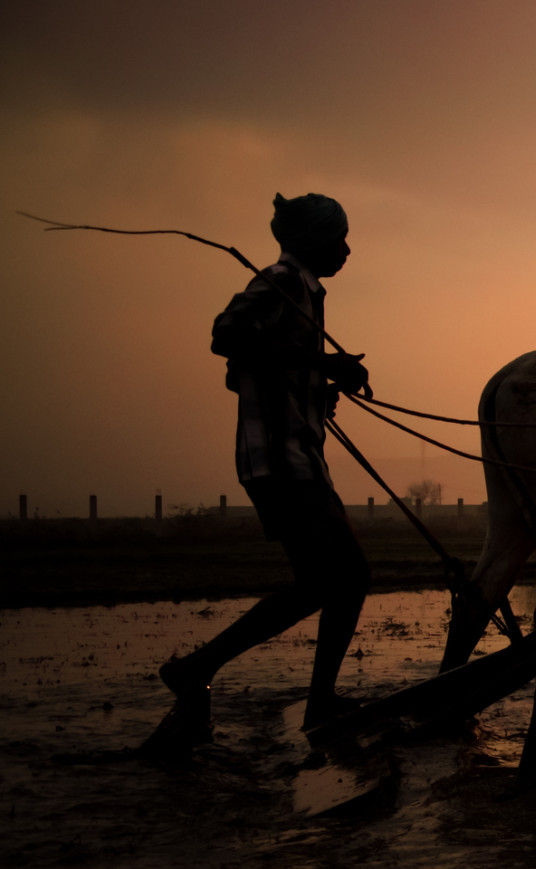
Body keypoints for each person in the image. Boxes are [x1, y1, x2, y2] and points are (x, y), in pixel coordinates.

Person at [142, 193, 374, 754]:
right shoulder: (283, 281)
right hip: (281, 460)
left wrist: (318, 388)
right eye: (339, 239)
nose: (346, 250)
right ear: (314, 240)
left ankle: (204, 669)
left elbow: (241, 371)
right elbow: (227, 334)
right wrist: (323, 364)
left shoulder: (303, 294)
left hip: (292, 457)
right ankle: (305, 697)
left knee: (325, 582)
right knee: (346, 578)